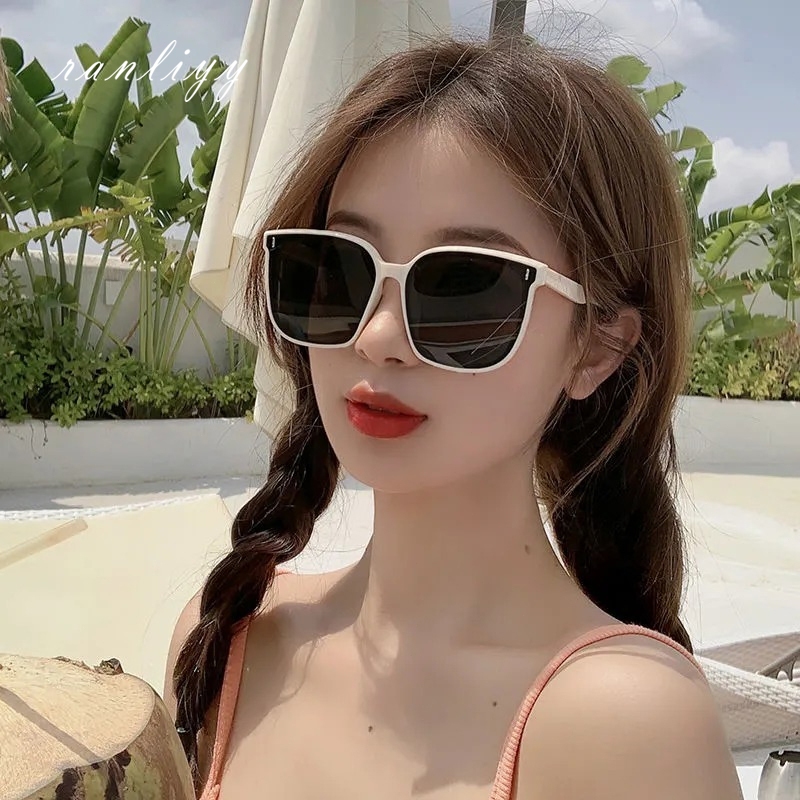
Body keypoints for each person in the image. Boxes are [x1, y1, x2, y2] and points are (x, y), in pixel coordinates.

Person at [164, 35, 744, 800]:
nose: (378, 336)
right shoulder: (227, 640)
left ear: (597, 347)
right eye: (339, 268)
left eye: (465, 287)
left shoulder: (628, 727)